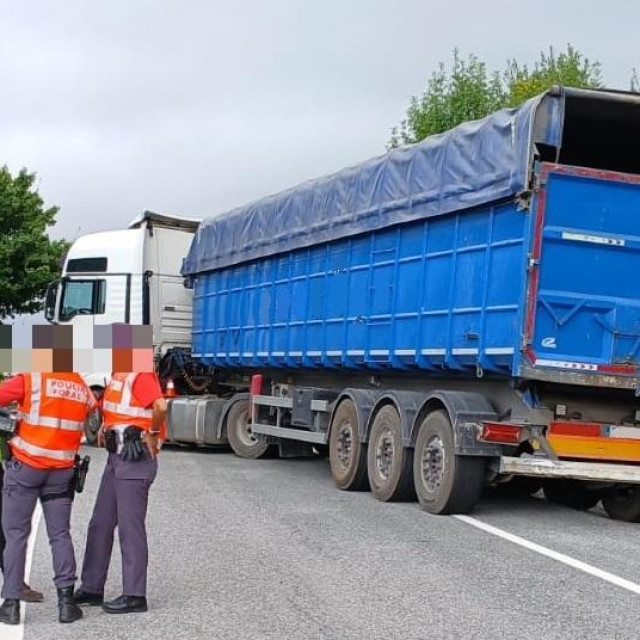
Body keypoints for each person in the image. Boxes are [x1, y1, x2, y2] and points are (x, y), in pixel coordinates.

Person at [0, 372, 97, 626]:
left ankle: (10, 605)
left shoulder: (31, 379)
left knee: (16, 535)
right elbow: (94, 420)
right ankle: (67, 604)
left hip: (26, 469)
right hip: (61, 472)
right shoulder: (81, 386)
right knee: (60, 535)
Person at [74, 372, 167, 614]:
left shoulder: (140, 373)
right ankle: (92, 588)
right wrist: (107, 425)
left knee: (130, 528)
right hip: (116, 457)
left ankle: (135, 595)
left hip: (135, 459)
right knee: (100, 524)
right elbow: (117, 410)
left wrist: (153, 433)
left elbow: (160, 406)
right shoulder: (118, 375)